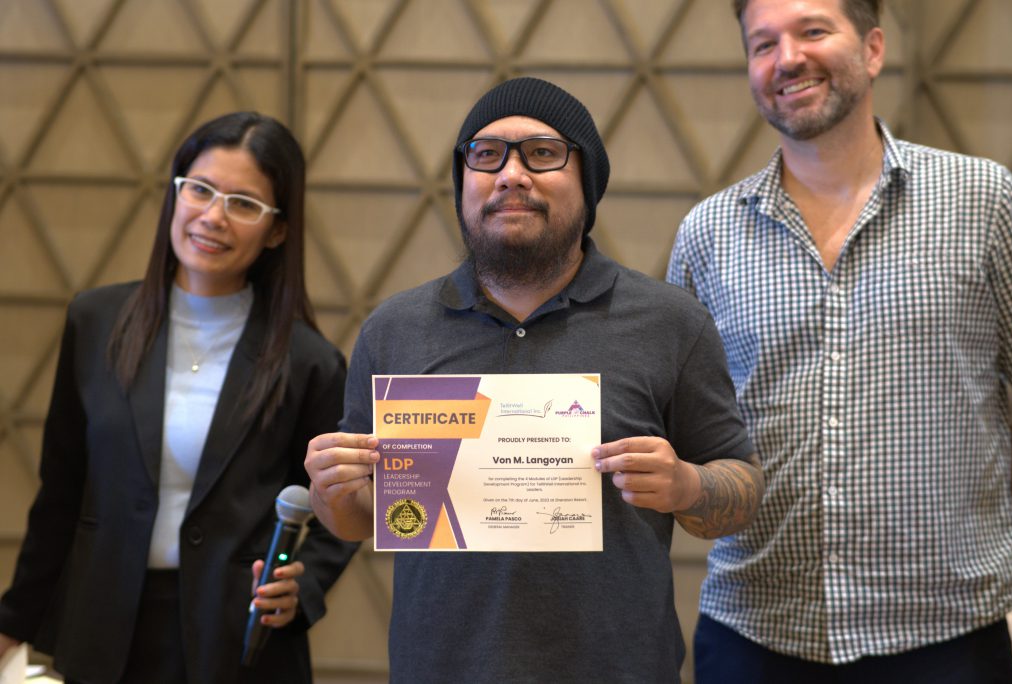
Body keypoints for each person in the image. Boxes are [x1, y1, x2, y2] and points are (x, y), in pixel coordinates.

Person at [304, 76, 764, 683]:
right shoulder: (395, 330)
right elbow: (363, 518)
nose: (511, 175)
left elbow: (741, 491)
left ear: (587, 182)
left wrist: (685, 485)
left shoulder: (670, 322)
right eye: (486, 155)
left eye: (543, 154)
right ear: (463, 182)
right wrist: (331, 491)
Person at [667, 0, 1012, 681]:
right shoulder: (707, 236)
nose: (787, 58)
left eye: (813, 31)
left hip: (948, 631)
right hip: (756, 630)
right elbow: (689, 438)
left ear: (874, 48)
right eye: (763, 44)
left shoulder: (983, 202)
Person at [0, 112, 359, 683]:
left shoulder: (308, 361)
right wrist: (13, 621)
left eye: (243, 203)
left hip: (236, 641)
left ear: (277, 231)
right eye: (200, 190)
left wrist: (304, 584)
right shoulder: (95, 322)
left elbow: (340, 504)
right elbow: (60, 493)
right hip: (103, 630)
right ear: (175, 194)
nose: (213, 216)